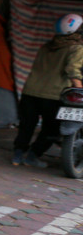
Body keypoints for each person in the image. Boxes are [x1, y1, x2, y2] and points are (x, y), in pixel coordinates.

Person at [13, 13, 83, 168]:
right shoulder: (76, 48)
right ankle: (32, 156)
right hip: (53, 95)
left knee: (27, 125)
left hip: (30, 91)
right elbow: (73, 70)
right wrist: (79, 89)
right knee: (51, 129)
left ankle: (17, 155)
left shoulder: (46, 47)